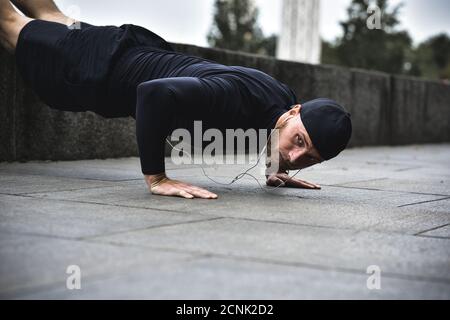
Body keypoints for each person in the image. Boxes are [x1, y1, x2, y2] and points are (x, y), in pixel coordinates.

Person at [0, 0, 352, 199]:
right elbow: (152, 93)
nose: (295, 156)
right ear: (295, 112)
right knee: (9, 21)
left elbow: (273, 126)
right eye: (299, 142)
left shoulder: (283, 100)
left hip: (117, 46)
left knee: (50, 15)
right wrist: (157, 178)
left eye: (309, 159)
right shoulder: (232, 97)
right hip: (93, 69)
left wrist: (277, 168)